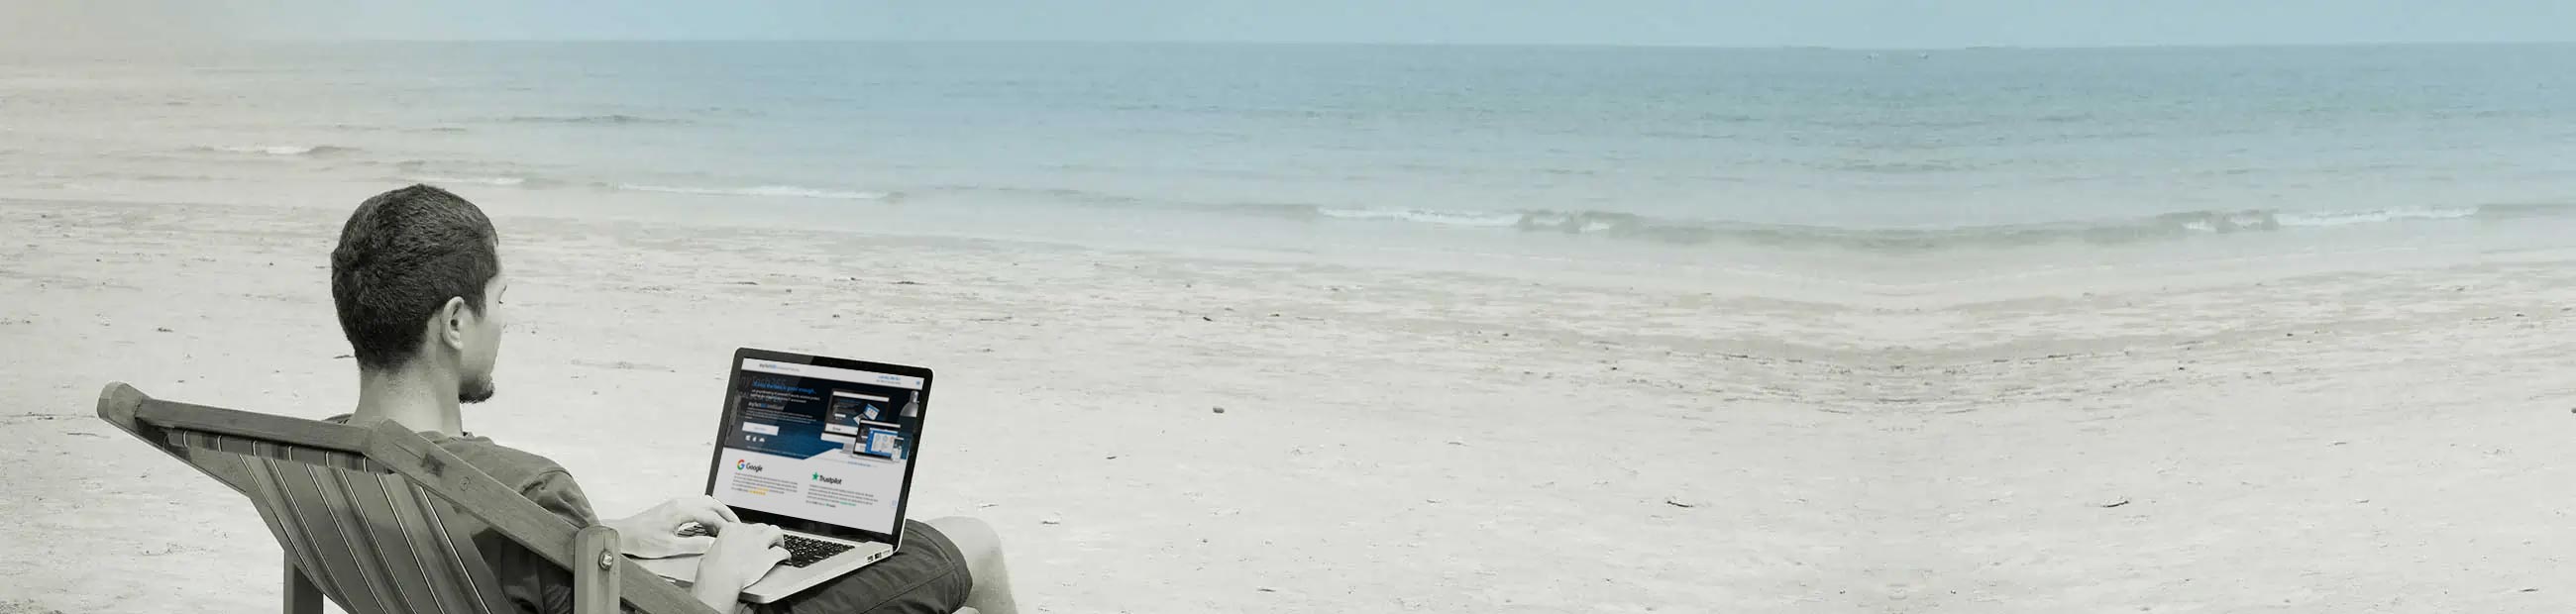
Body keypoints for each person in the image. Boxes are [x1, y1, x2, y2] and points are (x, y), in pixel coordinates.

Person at [324, 184, 1018, 614]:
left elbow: (494, 556)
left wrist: (609, 538)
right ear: (454, 322)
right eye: (500, 299)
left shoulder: (317, 461)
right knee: (976, 543)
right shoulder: (526, 484)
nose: (505, 320)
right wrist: (718, 578)